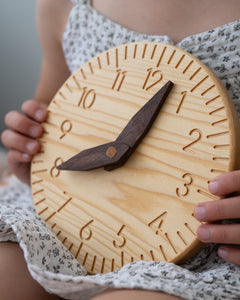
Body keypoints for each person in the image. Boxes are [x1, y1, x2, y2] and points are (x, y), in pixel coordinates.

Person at [1, 0, 240, 299]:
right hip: (70, 223)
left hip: (215, 256)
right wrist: (30, 150)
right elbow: (51, 107)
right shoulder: (63, 6)